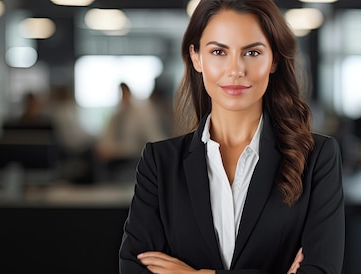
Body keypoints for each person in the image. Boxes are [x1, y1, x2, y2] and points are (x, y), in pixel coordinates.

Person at [119, 0, 345, 273]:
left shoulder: (318, 157)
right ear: (196, 58)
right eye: (218, 51)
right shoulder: (159, 162)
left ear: (273, 59)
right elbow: (134, 267)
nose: (236, 69)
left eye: (251, 52)